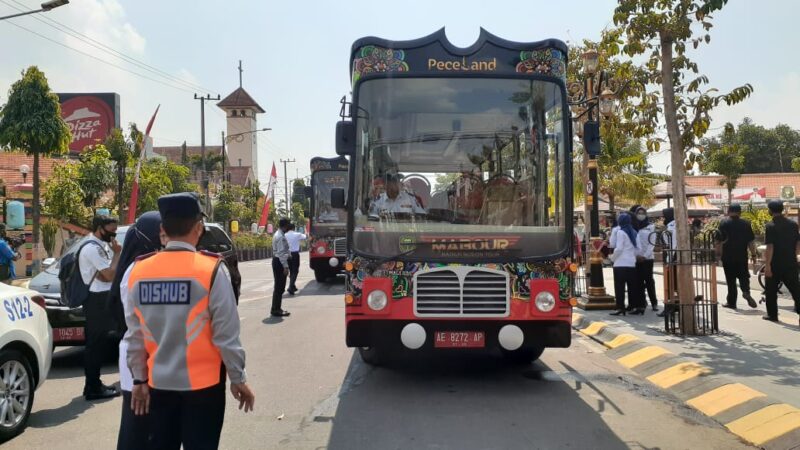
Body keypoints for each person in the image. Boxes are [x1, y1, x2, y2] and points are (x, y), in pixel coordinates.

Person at [123, 193, 255, 449]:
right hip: (204, 388)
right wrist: (239, 379)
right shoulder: (212, 270)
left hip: (158, 385)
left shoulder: (139, 272)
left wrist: (139, 380)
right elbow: (226, 335)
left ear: (163, 230)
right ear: (198, 228)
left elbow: (134, 336)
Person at [111, 211, 164, 450]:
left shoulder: (138, 267)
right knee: (138, 430)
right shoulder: (139, 270)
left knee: (140, 427)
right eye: (162, 233)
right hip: (139, 356)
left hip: (138, 355)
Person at [81, 214, 122, 400]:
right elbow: (108, 275)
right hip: (95, 300)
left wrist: (110, 269)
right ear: (99, 228)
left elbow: (107, 273)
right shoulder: (91, 248)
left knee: (99, 344)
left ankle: (93, 384)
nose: (113, 235)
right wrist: (117, 254)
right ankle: (93, 387)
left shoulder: (100, 245)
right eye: (111, 230)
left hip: (101, 298)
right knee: (94, 345)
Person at [762, 200, 800, 325]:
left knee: (771, 290)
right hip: (790, 262)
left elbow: (770, 247)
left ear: (770, 210)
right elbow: (798, 244)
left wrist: (767, 266)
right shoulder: (793, 224)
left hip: (775, 263)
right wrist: (794, 256)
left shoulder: (770, 225)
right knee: (795, 289)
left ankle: (772, 315)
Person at [715, 204, 758, 309]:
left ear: (729, 211)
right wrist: (753, 255)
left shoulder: (723, 223)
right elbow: (751, 242)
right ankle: (746, 291)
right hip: (742, 256)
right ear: (740, 212)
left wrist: (718, 255)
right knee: (744, 276)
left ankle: (732, 302)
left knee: (731, 280)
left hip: (728, 257)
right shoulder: (746, 224)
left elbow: (718, 241)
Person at [610, 212, 645, 316]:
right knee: (632, 287)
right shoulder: (634, 232)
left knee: (619, 287)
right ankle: (632, 305)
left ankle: (620, 307)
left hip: (620, 263)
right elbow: (638, 249)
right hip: (631, 263)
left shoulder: (621, 232)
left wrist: (613, 258)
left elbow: (619, 248)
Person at [633, 206, 659, 312]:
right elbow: (632, 243)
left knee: (649, 281)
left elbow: (651, 243)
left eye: (642, 213)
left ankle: (654, 303)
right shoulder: (633, 226)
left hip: (648, 258)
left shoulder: (651, 226)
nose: (640, 215)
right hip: (636, 258)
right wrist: (637, 255)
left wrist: (645, 256)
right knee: (638, 282)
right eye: (639, 213)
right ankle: (641, 304)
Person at [271, 218, 292, 317]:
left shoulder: (279, 234)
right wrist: (286, 267)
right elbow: (281, 253)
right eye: (288, 225)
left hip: (277, 261)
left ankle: (276, 308)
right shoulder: (280, 237)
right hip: (279, 262)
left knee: (278, 286)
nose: (289, 227)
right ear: (285, 225)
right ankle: (276, 309)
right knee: (279, 287)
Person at [285, 223, 307, 295]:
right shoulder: (297, 234)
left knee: (291, 270)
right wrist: (306, 231)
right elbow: (306, 236)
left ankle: (293, 286)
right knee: (295, 271)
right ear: (294, 228)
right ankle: (290, 287)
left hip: (287, 254)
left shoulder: (284, 235)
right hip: (294, 254)